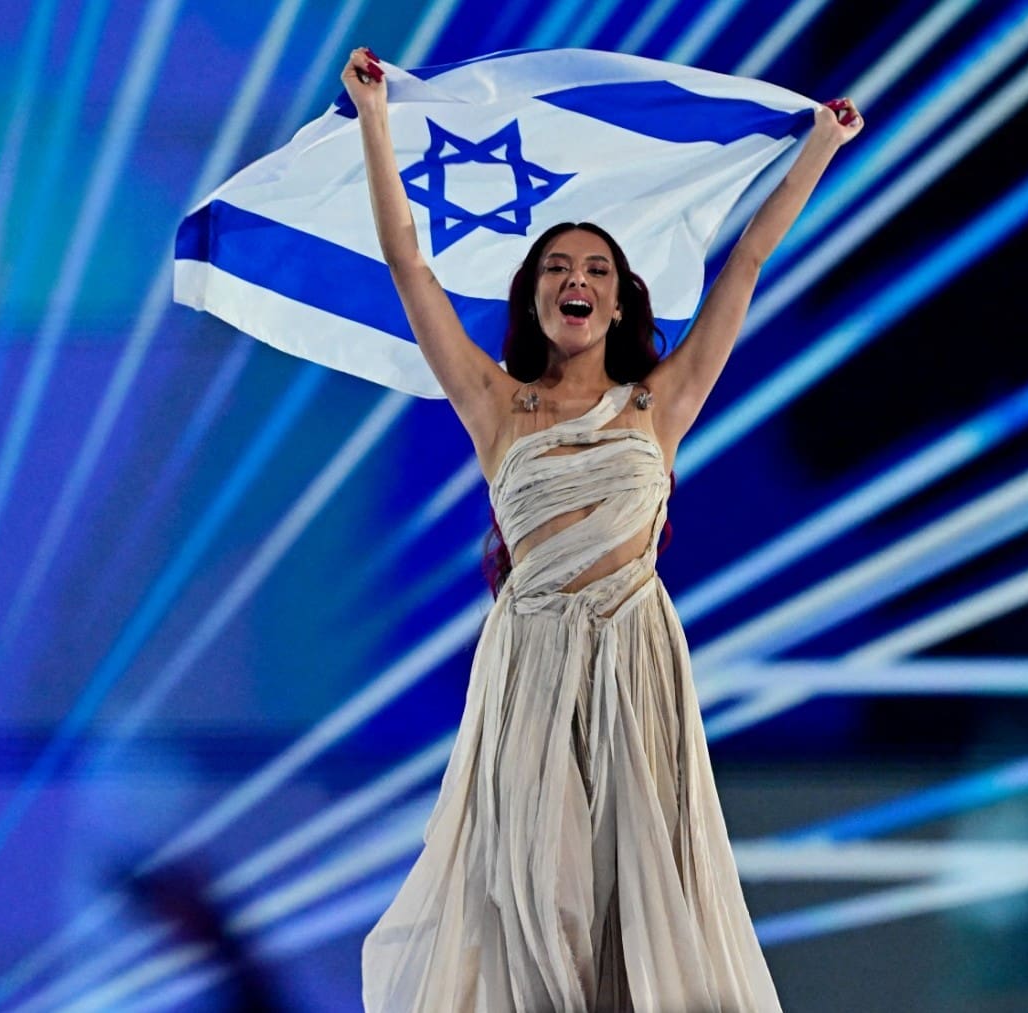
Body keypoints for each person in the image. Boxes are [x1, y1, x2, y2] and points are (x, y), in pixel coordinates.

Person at [343, 46, 862, 1011]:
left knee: (637, 904)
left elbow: (748, 259)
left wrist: (821, 147)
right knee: (541, 900)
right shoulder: (497, 407)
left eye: (594, 269)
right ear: (534, 297)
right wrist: (376, 119)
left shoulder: (660, 405)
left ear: (620, 300)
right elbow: (409, 262)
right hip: (532, 667)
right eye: (556, 267)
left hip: (636, 662)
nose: (574, 279)